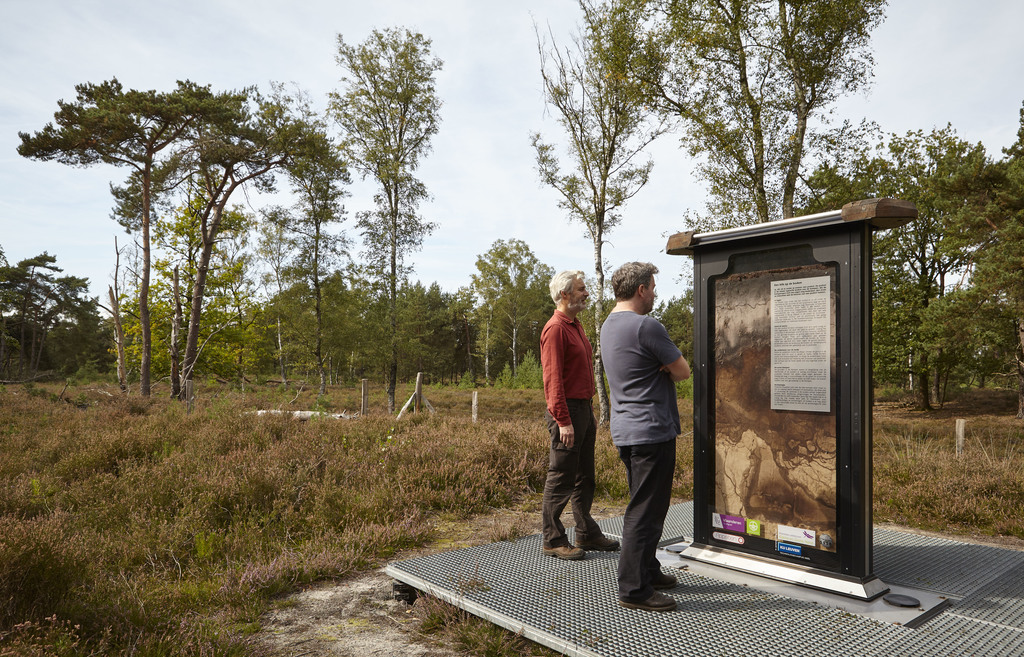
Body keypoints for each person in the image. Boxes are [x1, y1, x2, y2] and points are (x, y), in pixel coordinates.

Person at [600, 262, 690, 612]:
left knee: (647, 505)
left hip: (627, 430)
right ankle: (634, 588)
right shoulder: (646, 326)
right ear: (640, 290)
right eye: (652, 287)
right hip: (651, 431)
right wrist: (664, 366)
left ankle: (648, 570)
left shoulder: (608, 325)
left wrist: (660, 366)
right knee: (645, 511)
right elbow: (682, 371)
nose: (655, 293)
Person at [540, 270, 621, 560]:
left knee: (585, 477)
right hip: (567, 411)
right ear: (564, 294)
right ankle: (552, 539)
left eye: (585, 288)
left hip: (583, 409)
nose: (586, 293)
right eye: (581, 289)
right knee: (561, 476)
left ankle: (585, 532)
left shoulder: (576, 326)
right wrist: (563, 420)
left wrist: (589, 411)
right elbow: (553, 381)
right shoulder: (555, 329)